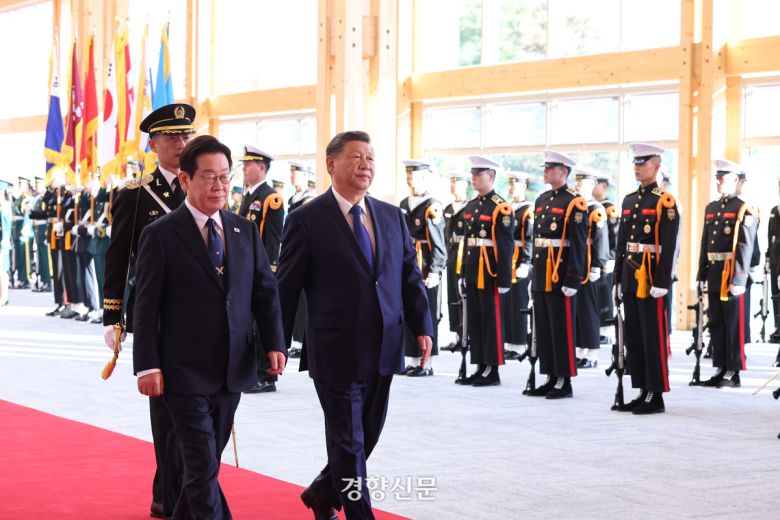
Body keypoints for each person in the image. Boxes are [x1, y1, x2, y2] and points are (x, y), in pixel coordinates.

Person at [277, 130, 433, 520]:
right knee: (349, 442)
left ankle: (322, 491)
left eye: (371, 158)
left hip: (385, 345)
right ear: (331, 164)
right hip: (335, 350)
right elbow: (286, 289)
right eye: (356, 157)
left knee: (368, 436)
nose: (366, 165)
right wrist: (274, 342)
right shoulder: (305, 220)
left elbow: (408, 276)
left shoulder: (391, 216)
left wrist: (422, 325)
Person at [133, 134, 286, 519]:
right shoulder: (161, 235)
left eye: (224, 177)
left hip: (232, 369)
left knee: (205, 467)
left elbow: (264, 293)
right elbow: (146, 307)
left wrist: (274, 343)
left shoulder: (242, 230)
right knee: (201, 467)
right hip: (182, 372)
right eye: (208, 177)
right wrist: (147, 365)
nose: (219, 186)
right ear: (185, 180)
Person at [102, 103, 196, 518]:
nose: (181, 143)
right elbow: (118, 257)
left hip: (204, 316)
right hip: (157, 317)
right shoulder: (136, 194)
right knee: (167, 412)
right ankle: (170, 493)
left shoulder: (207, 184)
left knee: (199, 410)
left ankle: (179, 490)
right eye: (173, 136)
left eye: (187, 135)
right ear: (153, 143)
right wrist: (113, 316)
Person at [613, 143, 679, 414]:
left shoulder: (665, 201)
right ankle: (642, 389)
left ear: (657, 165)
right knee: (635, 337)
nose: (638, 167)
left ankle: (656, 394)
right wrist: (617, 279)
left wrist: (662, 282)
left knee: (653, 336)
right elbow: (621, 243)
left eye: (644, 162)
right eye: (636, 163)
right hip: (630, 274)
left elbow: (669, 245)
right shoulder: (629, 200)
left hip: (651, 278)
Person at [526, 150, 588, 399]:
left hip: (561, 274)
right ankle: (550, 375)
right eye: (545, 167)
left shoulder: (575, 202)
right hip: (543, 273)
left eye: (551, 168)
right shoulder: (541, 200)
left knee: (561, 329)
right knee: (544, 328)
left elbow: (579, 243)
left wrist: (573, 277)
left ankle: (564, 379)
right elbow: (537, 241)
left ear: (563, 171)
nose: (546, 171)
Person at [697, 159, 756, 388]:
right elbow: (705, 244)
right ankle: (721, 367)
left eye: (723, 178)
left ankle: (733, 371)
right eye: (717, 178)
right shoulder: (711, 208)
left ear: (735, 180)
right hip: (714, 272)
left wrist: (740, 278)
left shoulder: (743, 208)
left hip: (732, 274)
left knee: (733, 324)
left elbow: (745, 245)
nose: (719, 182)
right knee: (717, 323)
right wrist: (701, 274)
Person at [458, 156, 514, 387]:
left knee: (491, 321)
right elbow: (467, 243)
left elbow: (506, 245)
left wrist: (503, 278)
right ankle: (480, 365)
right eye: (472, 174)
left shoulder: (500, 207)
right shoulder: (471, 206)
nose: (473, 178)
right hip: (473, 271)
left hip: (490, 273)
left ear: (490, 177)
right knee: (476, 321)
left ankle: (492, 368)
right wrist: (462, 274)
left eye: (478, 174)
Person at [237, 145, 285, 393]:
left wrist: (267, 272)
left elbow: (272, 241)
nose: (244, 167)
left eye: (249, 164)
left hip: (260, 270)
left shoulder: (271, 198)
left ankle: (267, 376)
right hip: (245, 269)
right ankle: (255, 371)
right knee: (250, 322)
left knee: (262, 321)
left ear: (262, 168)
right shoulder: (248, 196)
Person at [399, 159, 446, 377]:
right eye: (408, 174)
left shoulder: (431, 205)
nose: (410, 178)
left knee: (425, 313)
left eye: (415, 174)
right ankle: (414, 358)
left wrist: (435, 270)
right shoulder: (404, 203)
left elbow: (438, 243)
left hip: (425, 265)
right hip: (407, 263)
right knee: (409, 310)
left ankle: (427, 362)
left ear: (425, 177)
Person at [573, 167, 608, 369]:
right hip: (577, 265)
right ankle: (580, 351)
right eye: (577, 181)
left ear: (592, 185)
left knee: (589, 312)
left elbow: (600, 239)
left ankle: (592, 353)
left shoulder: (596, 209)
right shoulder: (577, 206)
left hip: (590, 267)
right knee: (578, 311)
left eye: (582, 181)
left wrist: (597, 265)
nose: (577, 184)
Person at [287, 160, 317, 359]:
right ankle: (297, 340)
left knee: (305, 301)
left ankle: (303, 339)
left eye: (296, 173)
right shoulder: (293, 198)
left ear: (306, 176)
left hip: (307, 254)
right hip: (294, 250)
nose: (292, 176)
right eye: (291, 173)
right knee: (297, 302)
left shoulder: (308, 199)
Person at [503, 171, 533, 360]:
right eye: (510, 184)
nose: (511, 188)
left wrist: (526, 261)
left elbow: (530, 237)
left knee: (519, 303)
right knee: (508, 304)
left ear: (524, 187)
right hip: (508, 259)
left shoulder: (528, 210)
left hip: (520, 258)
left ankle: (520, 345)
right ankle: (510, 343)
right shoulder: (508, 208)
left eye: (515, 185)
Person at [441, 172, 469, 352]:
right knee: (452, 296)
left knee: (464, 296)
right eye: (451, 182)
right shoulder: (448, 208)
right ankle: (457, 335)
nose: (453, 186)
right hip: (451, 255)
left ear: (465, 185)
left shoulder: (470, 207)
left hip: (465, 255)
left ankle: (467, 333)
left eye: (457, 183)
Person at [593, 174, 617, 343]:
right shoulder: (592, 207)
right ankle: (598, 327)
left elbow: (615, 235)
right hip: (594, 257)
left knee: (605, 294)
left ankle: (607, 330)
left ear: (603, 187)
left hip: (606, 258)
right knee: (596, 294)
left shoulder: (609, 209)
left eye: (596, 184)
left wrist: (611, 258)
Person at [0, 180, 12, 305]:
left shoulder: (6, 205)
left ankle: (4, 297)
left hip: (2, 241)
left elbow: (6, 226)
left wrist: (4, 240)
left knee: (2, 270)